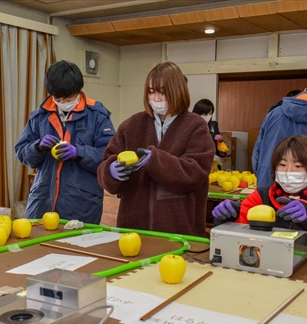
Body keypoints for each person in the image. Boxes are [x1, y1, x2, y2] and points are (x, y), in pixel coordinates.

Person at [97, 61, 214, 237]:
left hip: (178, 229)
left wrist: (155, 160)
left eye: (162, 92)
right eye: (151, 92)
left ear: (177, 91)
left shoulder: (195, 127)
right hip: (133, 228)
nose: (156, 99)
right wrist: (111, 171)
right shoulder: (131, 126)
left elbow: (194, 172)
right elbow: (104, 165)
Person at [213, 135, 307, 255]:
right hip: (271, 265)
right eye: (282, 165)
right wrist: (230, 217)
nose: (289, 171)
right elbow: (241, 222)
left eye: (298, 166)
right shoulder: (262, 196)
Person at [15, 60, 115, 224]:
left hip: (81, 205)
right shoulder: (40, 116)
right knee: (37, 247)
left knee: (75, 247)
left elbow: (108, 157)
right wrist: (37, 147)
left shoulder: (97, 116)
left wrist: (79, 153)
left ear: (78, 90)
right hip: (41, 202)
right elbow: (22, 153)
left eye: (68, 98)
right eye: (58, 98)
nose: (63, 102)